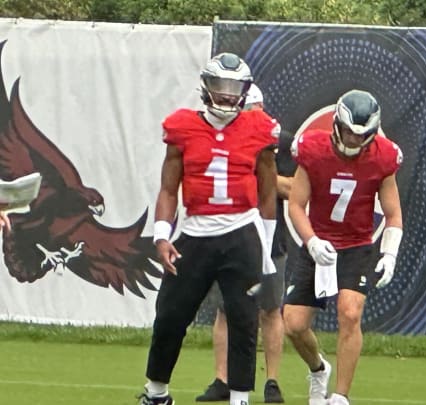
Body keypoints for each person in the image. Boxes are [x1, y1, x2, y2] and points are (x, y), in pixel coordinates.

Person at [138, 53, 280, 405]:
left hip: (241, 231)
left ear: (246, 91)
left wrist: (265, 245)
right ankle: (157, 392)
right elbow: (169, 188)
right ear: (206, 86)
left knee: (244, 319)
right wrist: (160, 235)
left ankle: (240, 398)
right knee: (170, 314)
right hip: (196, 231)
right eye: (221, 86)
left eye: (235, 88)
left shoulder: (259, 130)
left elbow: (267, 191)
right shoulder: (182, 127)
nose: (228, 95)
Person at [283, 89, 403, 405]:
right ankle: (318, 368)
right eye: (348, 131)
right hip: (319, 243)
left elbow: (393, 213)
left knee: (350, 313)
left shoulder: (383, 156)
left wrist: (389, 252)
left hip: (356, 245)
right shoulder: (313, 149)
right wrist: (311, 241)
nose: (351, 139)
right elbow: (296, 204)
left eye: (359, 134)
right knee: (293, 325)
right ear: (337, 124)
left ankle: (339, 395)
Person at [195, 84, 295, 404]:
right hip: (231, 235)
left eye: (254, 110)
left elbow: (294, 188)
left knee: (269, 309)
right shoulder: (224, 139)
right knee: (226, 310)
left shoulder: (281, 141)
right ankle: (222, 378)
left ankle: (272, 381)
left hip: (269, 238)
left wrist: (257, 171)